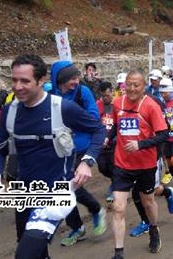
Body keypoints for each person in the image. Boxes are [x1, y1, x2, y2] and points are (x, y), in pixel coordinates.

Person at [0, 54, 106, 259]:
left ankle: (88, 217)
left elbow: (98, 129)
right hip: (25, 192)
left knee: (25, 255)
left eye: (25, 81)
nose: (18, 86)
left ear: (41, 80)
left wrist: (87, 162)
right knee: (35, 252)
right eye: (14, 80)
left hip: (56, 192)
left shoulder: (62, 108)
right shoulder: (9, 111)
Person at [109, 69, 169, 259]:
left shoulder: (151, 106)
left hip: (145, 164)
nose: (132, 88)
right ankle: (118, 252)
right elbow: (117, 126)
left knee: (148, 201)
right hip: (122, 163)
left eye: (136, 85)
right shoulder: (118, 103)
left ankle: (153, 229)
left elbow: (163, 135)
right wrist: (106, 138)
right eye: (129, 84)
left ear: (144, 87)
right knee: (118, 207)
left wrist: (140, 144)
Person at [49, 61, 107, 246]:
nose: (76, 81)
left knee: (69, 186)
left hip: (81, 146)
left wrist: (72, 119)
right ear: (60, 79)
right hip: (58, 148)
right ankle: (77, 227)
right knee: (61, 189)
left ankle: (96, 209)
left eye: (76, 77)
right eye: (71, 78)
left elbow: (94, 118)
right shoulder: (49, 94)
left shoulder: (83, 92)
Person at [96, 81, 117, 202]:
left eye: (107, 95)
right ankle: (117, 180)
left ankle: (115, 187)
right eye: (102, 96)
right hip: (101, 142)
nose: (105, 98)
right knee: (103, 168)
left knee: (114, 166)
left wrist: (112, 138)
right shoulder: (98, 105)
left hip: (114, 141)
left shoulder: (118, 104)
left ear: (112, 92)